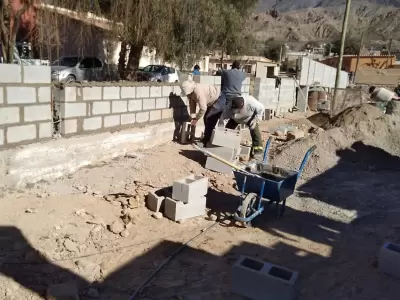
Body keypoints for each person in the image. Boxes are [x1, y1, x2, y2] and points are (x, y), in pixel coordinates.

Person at [180, 80, 226, 146]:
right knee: (207, 118)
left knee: (209, 118)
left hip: (219, 99)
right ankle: (208, 138)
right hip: (213, 101)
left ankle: (207, 140)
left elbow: (203, 108)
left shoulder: (198, 92)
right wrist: (192, 117)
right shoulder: (191, 93)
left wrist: (196, 119)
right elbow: (192, 104)